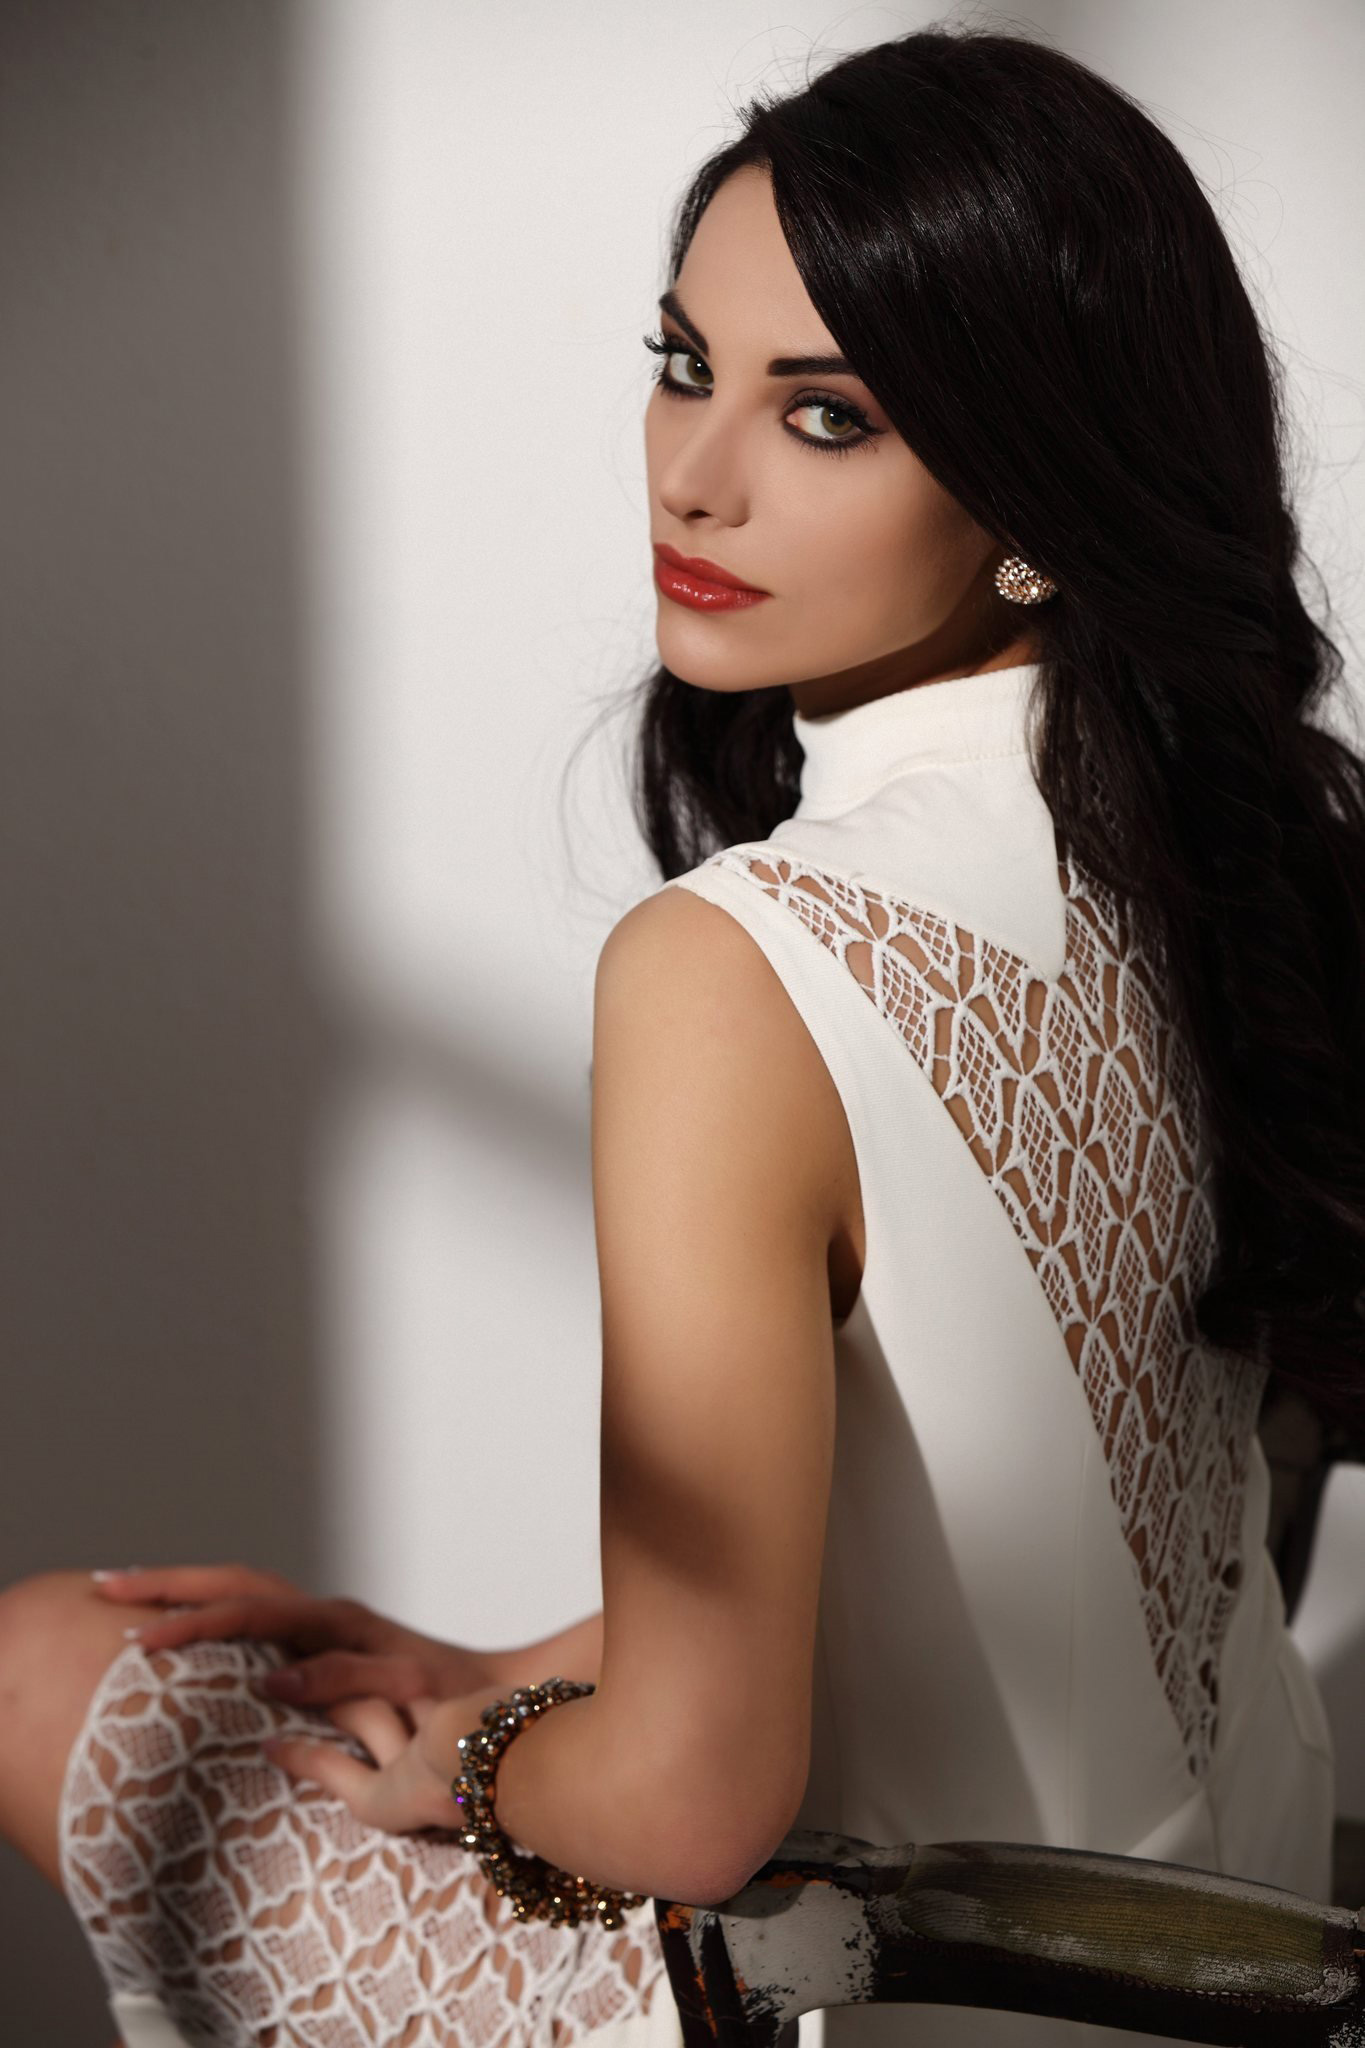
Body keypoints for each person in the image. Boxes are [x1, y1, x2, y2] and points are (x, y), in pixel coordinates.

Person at [3, 21, 1364, 2048]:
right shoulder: (1231, 865)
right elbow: (1012, 1541)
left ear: (1034, 481)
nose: (691, 474)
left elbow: (687, 1799)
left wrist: (472, 1765)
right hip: (1222, 1959)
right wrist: (492, 1672)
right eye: (679, 363)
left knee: (39, 1665)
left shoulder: (735, 967)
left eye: (823, 416)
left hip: (871, 1988)